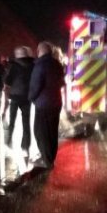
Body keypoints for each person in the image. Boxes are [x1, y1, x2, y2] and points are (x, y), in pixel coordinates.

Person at [28, 41, 65, 169]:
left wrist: (31, 98)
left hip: (44, 105)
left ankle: (47, 161)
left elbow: (35, 86)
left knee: (40, 133)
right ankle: (50, 157)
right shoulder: (58, 64)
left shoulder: (40, 65)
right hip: (56, 102)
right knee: (52, 132)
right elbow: (62, 83)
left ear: (39, 51)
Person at [3, 46, 34, 155]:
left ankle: (8, 142)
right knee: (26, 122)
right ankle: (25, 146)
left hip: (15, 97)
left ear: (19, 54)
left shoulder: (14, 66)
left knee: (12, 121)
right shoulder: (33, 64)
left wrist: (6, 97)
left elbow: (7, 82)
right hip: (27, 97)